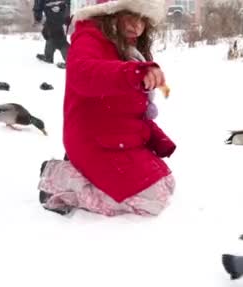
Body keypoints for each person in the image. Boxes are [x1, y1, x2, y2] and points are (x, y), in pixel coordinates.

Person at [37, 0, 176, 217]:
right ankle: (60, 179)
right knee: (152, 200)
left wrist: (153, 136)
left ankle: (81, 175)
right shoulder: (88, 37)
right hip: (91, 138)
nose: (137, 27)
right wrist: (134, 73)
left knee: (166, 184)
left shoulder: (128, 48)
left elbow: (129, 108)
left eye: (142, 19)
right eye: (130, 16)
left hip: (116, 137)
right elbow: (83, 74)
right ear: (111, 14)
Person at [33, 0, 71, 65]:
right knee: (49, 32)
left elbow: (38, 4)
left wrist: (37, 15)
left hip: (52, 6)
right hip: (60, 7)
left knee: (59, 38)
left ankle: (71, 61)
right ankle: (48, 56)